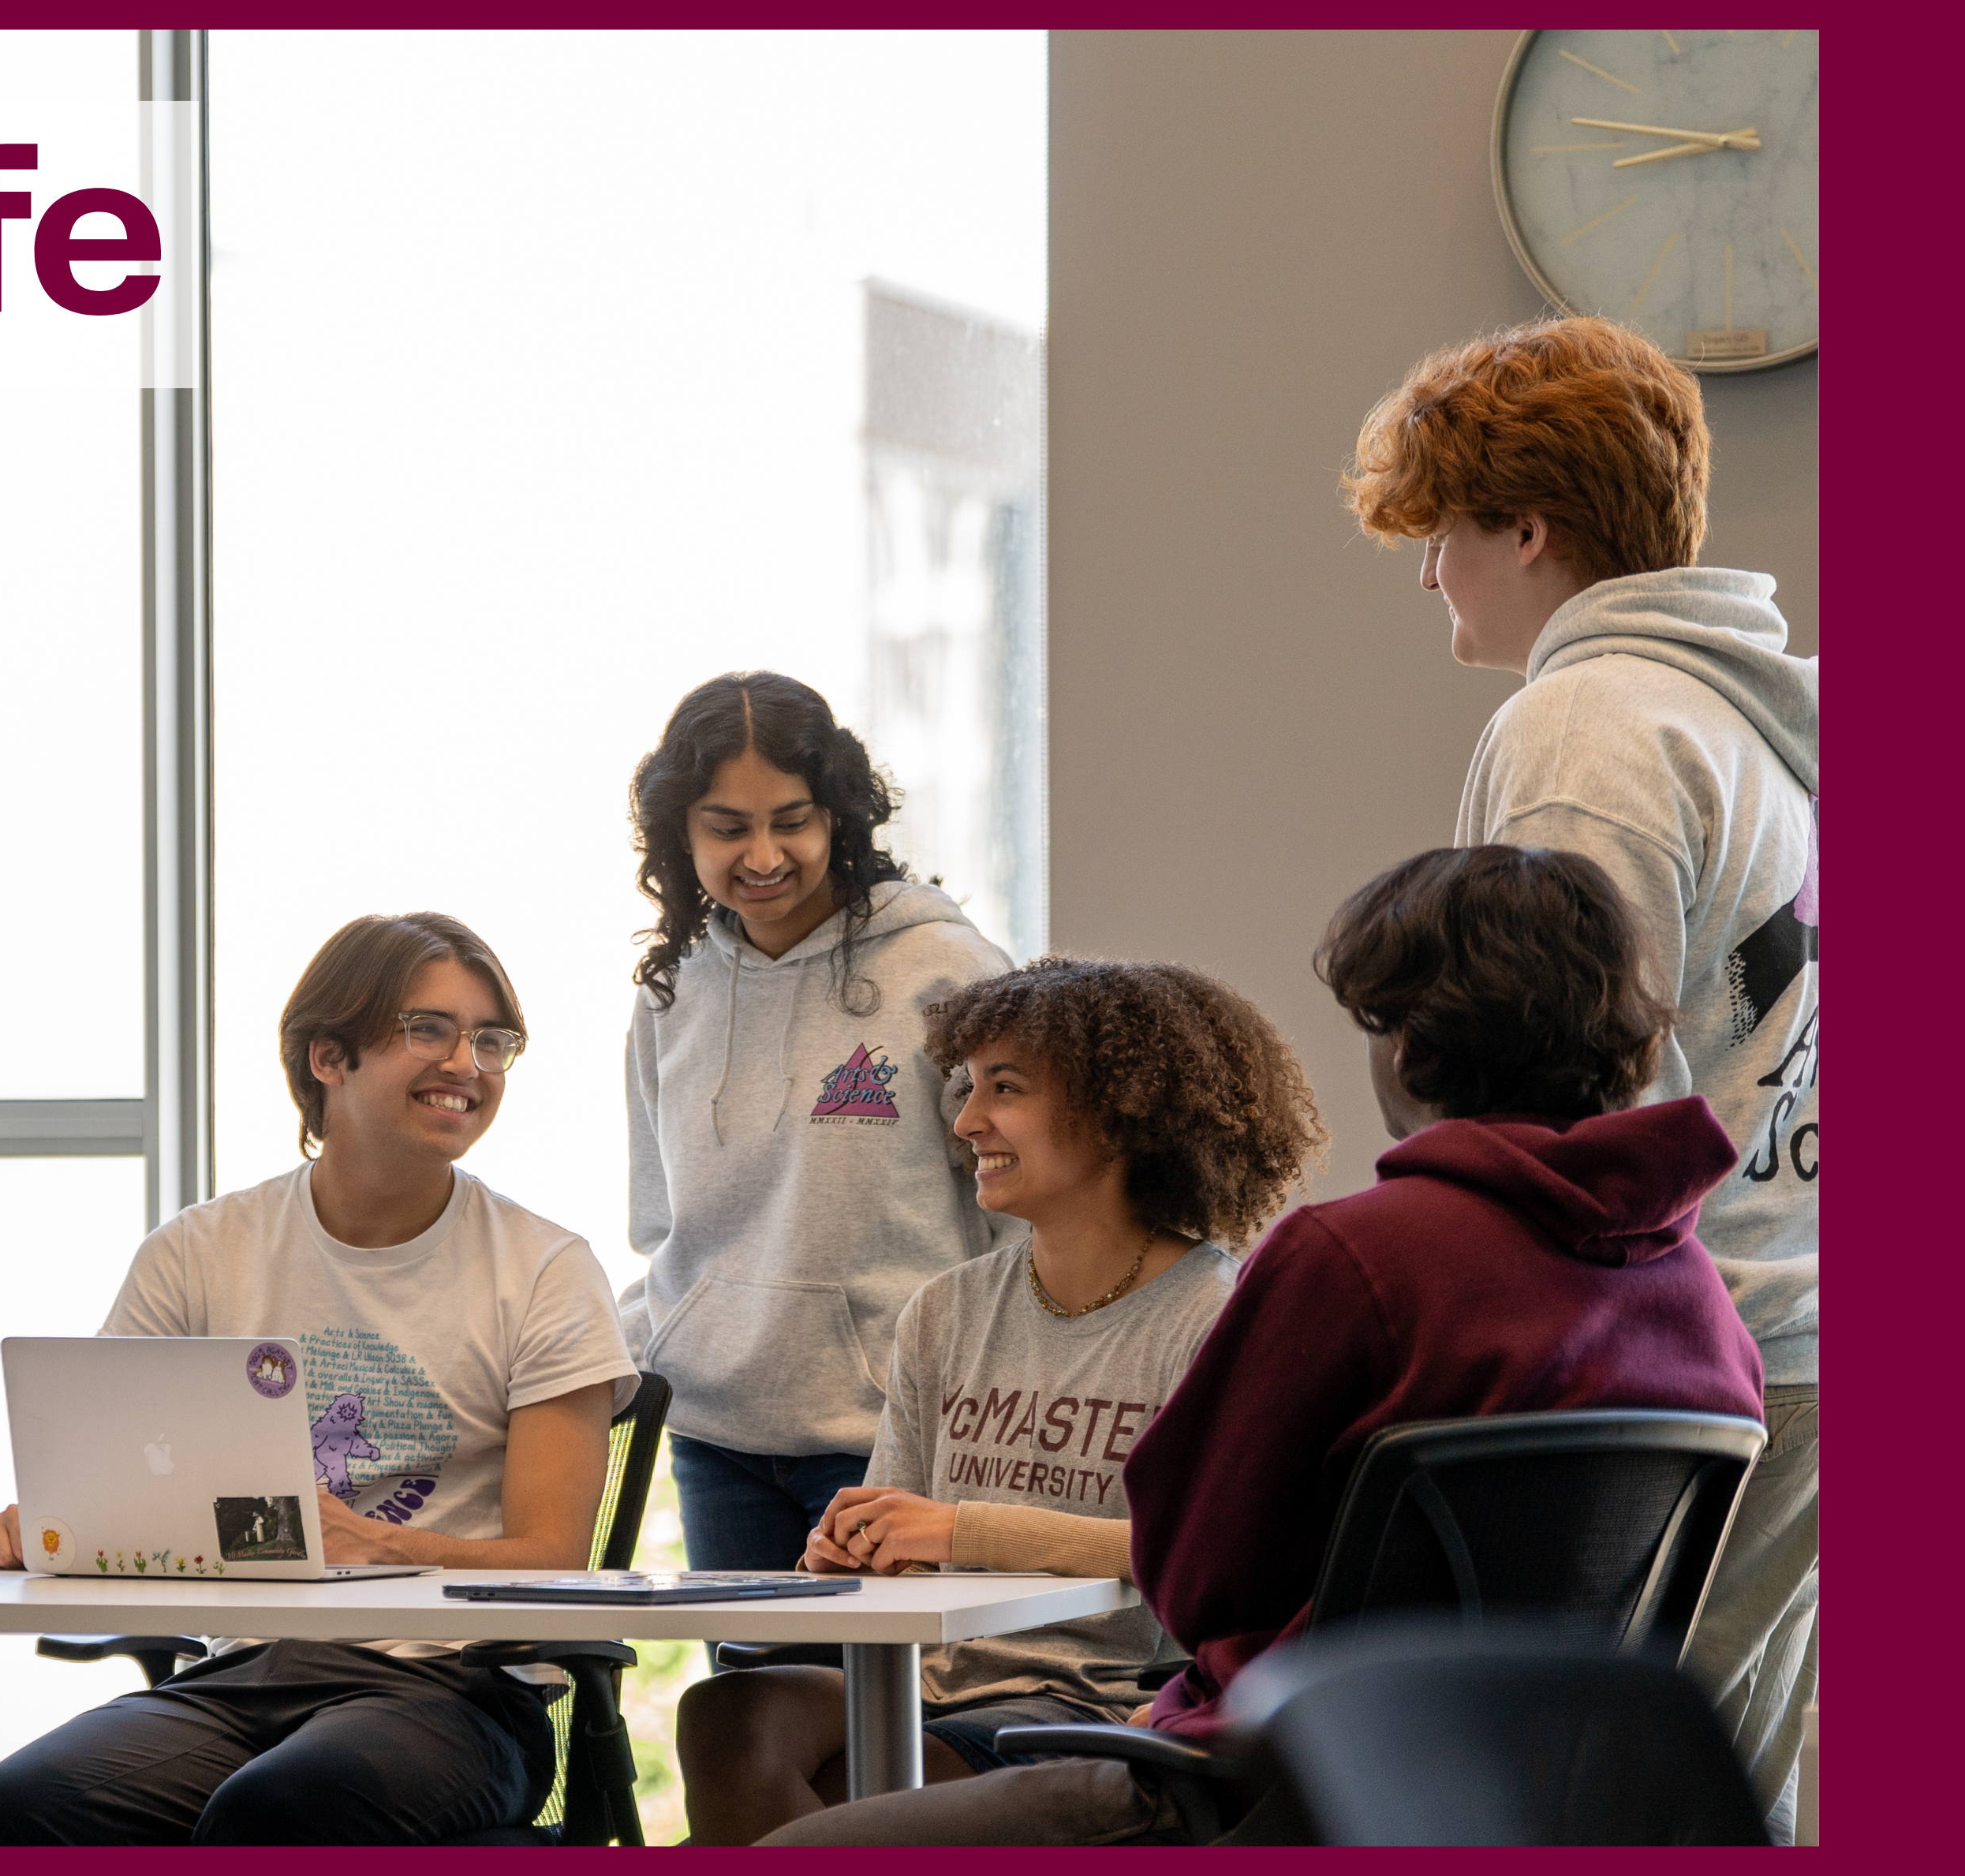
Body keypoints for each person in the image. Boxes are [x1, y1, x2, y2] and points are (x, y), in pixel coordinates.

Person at [764, 845, 1762, 1846]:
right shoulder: (1699, 1300)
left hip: (1264, 1784)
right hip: (1523, 1797)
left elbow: (1198, 1580)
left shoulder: (1359, 1256)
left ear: (1412, 1042)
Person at [1347, 314, 1819, 1836]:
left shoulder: (1583, 722)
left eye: (1446, 532)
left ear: (1531, 526)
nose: (1431, 574)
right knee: (1731, 1791)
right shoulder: (1757, 723)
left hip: (1680, 1346)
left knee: (1589, 1810)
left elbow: (1552, 1072)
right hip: (1790, 1324)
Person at [0, 914, 639, 1846]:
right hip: (244, 1671)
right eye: (429, 1029)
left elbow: (555, 1553)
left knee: (278, 1811)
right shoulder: (199, 1251)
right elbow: (123, 1486)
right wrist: (63, 1525)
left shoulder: (545, 1266)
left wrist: (375, 1545)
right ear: (328, 1056)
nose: (468, 1062)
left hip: (456, 1689)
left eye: (492, 1039)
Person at [671, 959, 1322, 1845]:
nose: (967, 1121)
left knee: (859, 1796)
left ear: (1119, 1109)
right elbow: (898, 1553)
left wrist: (954, 1528)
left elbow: (1210, 1557)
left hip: (1104, 1703)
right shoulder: (948, 1309)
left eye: (1004, 1088)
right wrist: (857, 1549)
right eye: (968, 1087)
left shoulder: (1216, 1314)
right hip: (936, 1684)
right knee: (729, 1713)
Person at [611, 672, 1026, 1571]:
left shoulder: (945, 969)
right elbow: (659, 1223)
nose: (763, 854)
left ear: (838, 815)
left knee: (881, 1709)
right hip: (716, 1435)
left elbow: (1019, 1206)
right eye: (728, 826)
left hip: (890, 1435)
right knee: (749, 1706)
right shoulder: (670, 996)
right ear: (681, 835)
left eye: (790, 819)